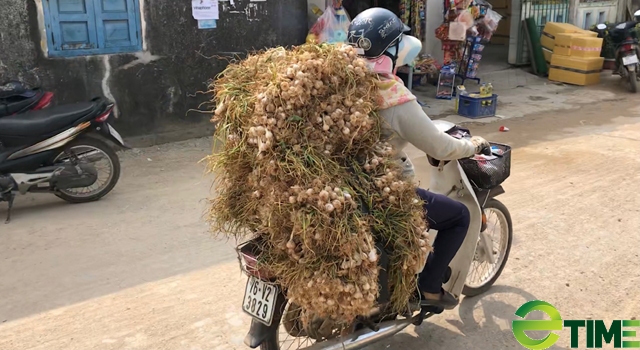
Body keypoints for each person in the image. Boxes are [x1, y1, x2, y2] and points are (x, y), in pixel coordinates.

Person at [347, 8, 490, 309]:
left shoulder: (341, 84)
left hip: (342, 183)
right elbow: (441, 147)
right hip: (379, 192)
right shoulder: (392, 96)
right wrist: (473, 146)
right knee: (459, 217)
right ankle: (429, 288)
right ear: (391, 49)